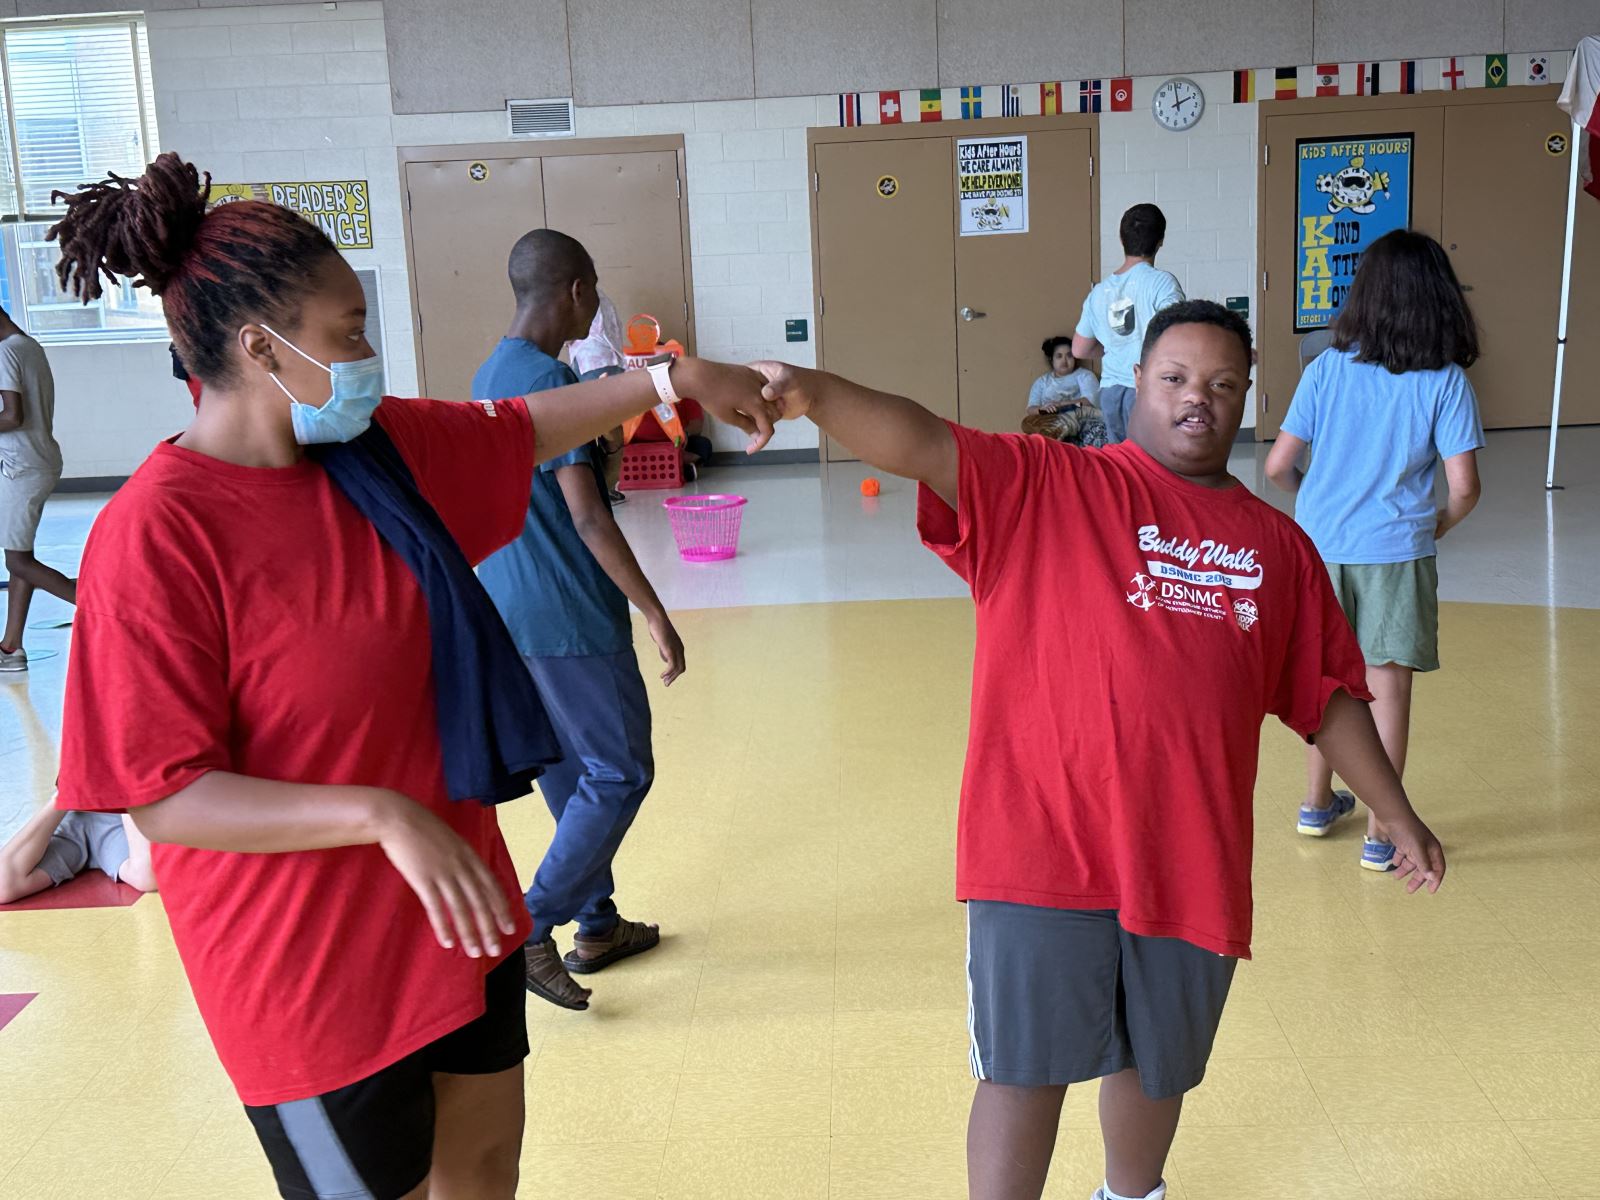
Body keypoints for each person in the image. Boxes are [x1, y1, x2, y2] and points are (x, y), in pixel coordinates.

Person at [46, 154, 775, 1200]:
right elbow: (163, 797)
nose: (366, 358)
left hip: (456, 917)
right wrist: (381, 815)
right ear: (259, 348)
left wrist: (679, 379)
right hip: (308, 970)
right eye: (345, 335)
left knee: (481, 1173)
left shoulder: (373, 457)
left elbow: (528, 431)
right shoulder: (158, 536)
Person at [751, 300, 1445, 1200]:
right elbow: (921, 441)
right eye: (1176, 379)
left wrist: (1397, 813)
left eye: (1224, 385)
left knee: (1160, 1065)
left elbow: (1328, 695)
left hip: (1187, 853)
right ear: (1136, 389)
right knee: (1021, 1069)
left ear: (1246, 400)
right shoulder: (1048, 485)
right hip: (1041, 845)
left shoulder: (1278, 547)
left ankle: (1130, 1194)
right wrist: (814, 391)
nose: (1200, 399)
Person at [473, 229, 683, 1013]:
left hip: (511, 604)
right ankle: (534, 926)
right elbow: (590, 519)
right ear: (577, 293)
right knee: (621, 770)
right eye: (594, 292)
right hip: (568, 607)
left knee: (570, 770)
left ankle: (597, 922)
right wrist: (656, 611)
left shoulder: (490, 374)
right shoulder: (552, 382)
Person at [1266, 230, 1484, 871]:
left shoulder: (1325, 368)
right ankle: (1383, 835)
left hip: (1320, 550)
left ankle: (1315, 803)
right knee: (1385, 690)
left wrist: (1316, 503)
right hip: (1395, 551)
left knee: (1327, 683)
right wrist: (1435, 524)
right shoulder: (1444, 381)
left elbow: (1279, 465)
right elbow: (1465, 488)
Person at [0, 307, 73, 672]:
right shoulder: (29, 345)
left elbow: (13, 416)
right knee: (21, 558)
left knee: (17, 560)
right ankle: (11, 648)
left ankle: (108, 606)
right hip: (39, 461)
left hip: (22, 468)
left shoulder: (6, 351)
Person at [1072, 204, 1184, 444]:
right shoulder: (1161, 284)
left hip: (1111, 392)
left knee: (1121, 463)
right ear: (1160, 241)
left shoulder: (1098, 293)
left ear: (1121, 239)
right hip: (1148, 389)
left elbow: (1079, 349)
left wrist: (1113, 347)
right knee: (1152, 462)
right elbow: (1179, 334)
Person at [0, 802, 157, 904]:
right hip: (77, 811)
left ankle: (126, 790)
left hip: (125, 812)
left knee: (146, 876)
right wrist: (62, 794)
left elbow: (147, 876)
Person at [567, 288, 629, 503]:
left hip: (592, 363)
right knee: (608, 430)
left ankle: (598, 490)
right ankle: (604, 488)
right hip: (604, 362)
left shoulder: (580, 296)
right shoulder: (599, 297)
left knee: (596, 428)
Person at [1028, 336, 1100, 414]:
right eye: (1059, 356)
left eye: (1069, 356)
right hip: (1050, 422)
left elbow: (1090, 402)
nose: (1064, 360)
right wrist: (1043, 409)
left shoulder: (1085, 376)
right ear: (1051, 359)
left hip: (1082, 420)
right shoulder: (1042, 382)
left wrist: (1061, 405)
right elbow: (1031, 409)